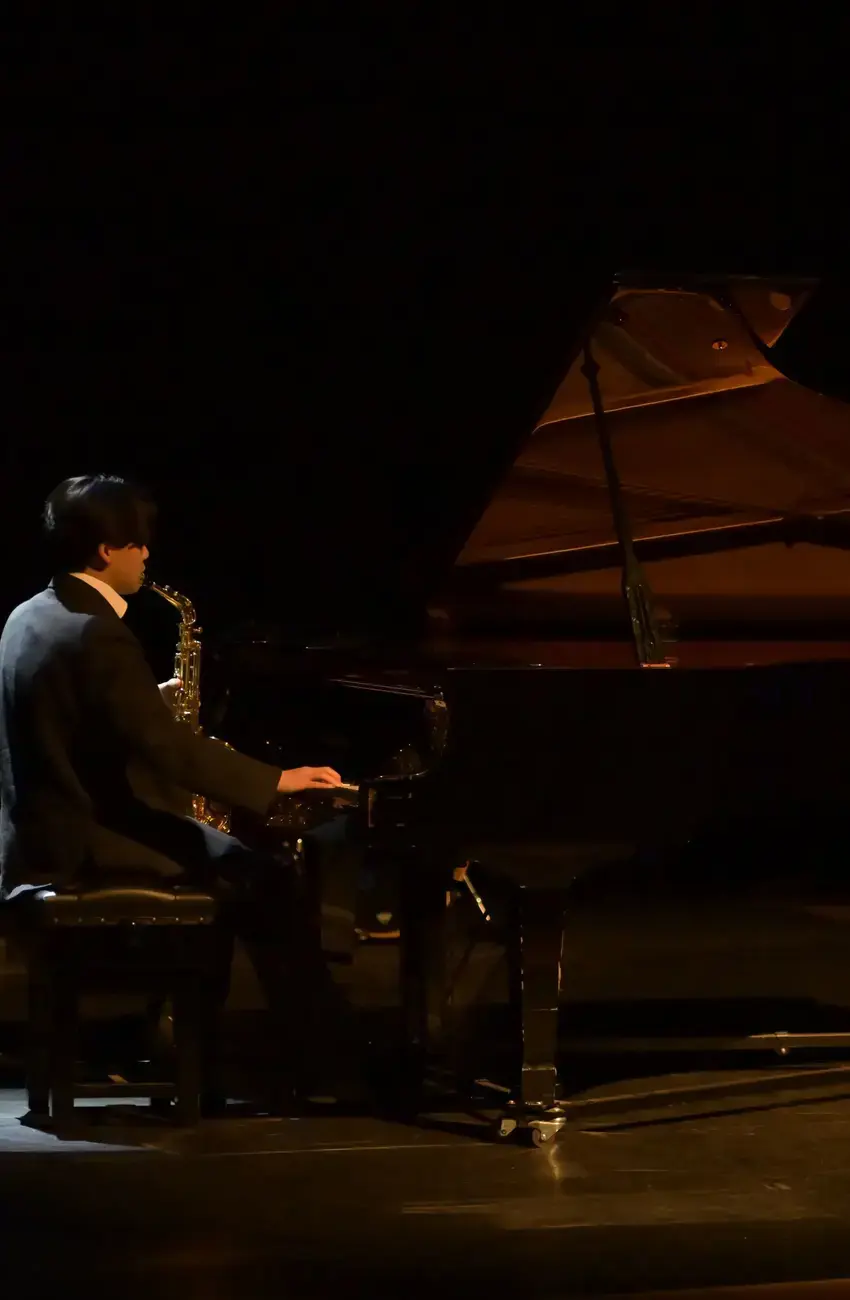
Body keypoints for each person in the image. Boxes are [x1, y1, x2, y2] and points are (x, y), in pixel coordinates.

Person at [0, 474, 362, 1107]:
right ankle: (327, 1068)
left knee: (225, 866)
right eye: (139, 545)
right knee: (266, 877)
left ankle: (194, 1052)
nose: (147, 557)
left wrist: (149, 704)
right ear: (108, 551)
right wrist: (275, 780)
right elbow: (168, 753)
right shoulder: (97, 632)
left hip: (40, 831)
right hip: (90, 841)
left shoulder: (30, 615)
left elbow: (69, 717)